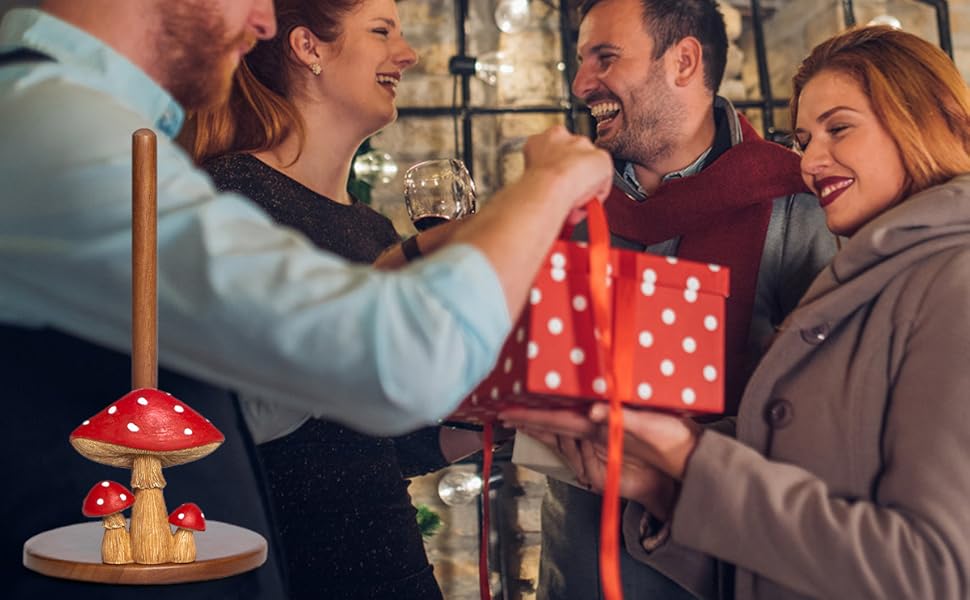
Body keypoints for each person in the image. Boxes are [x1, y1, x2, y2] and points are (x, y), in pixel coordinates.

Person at [0, 1, 612, 598]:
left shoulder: (67, 121)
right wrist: (545, 185)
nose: (265, 21)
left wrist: (483, 399)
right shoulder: (51, 128)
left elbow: (249, 409)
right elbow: (402, 360)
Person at [504, 25, 970, 599]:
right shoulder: (872, 272)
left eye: (839, 128)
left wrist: (689, 455)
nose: (810, 161)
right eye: (803, 140)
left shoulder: (948, 279)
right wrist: (658, 484)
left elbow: (930, 570)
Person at [187, 0, 492, 596]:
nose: (408, 54)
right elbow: (243, 416)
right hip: (290, 567)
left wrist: (491, 425)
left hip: (392, 565)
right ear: (309, 47)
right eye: (382, 31)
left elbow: (380, 442)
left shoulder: (372, 229)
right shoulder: (234, 196)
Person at [535, 0, 835, 597]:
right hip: (576, 570)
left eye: (605, 57)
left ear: (684, 61)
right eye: (581, 60)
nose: (581, 83)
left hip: (719, 570)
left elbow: (825, 420)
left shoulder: (797, 203)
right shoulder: (562, 200)